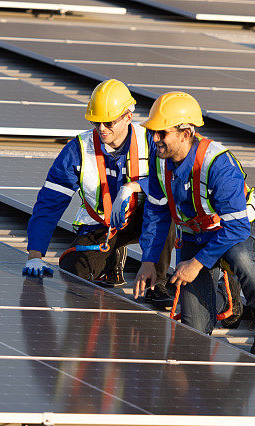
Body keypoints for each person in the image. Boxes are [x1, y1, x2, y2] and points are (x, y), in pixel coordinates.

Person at [131, 91, 255, 361]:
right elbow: (156, 209)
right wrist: (149, 260)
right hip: (194, 236)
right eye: (153, 132)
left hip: (232, 232)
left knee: (242, 258)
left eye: (161, 133)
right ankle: (227, 296)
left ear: (185, 133)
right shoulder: (159, 157)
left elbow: (236, 228)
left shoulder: (218, 164)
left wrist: (196, 263)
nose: (154, 140)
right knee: (194, 333)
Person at [23, 79, 174, 304]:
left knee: (166, 208)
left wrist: (133, 186)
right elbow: (49, 202)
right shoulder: (78, 150)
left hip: (144, 218)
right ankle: (111, 259)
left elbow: (171, 184)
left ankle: (157, 282)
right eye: (96, 123)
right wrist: (35, 254)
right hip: (101, 225)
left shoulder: (151, 140)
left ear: (128, 117)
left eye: (108, 122)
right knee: (73, 271)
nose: (102, 128)